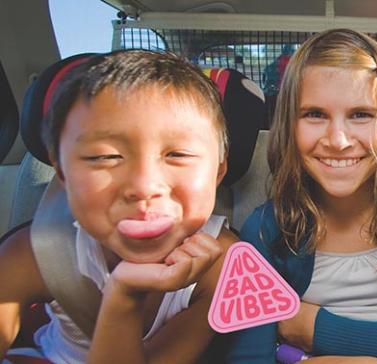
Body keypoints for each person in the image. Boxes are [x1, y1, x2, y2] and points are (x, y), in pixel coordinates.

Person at [229, 29, 377, 364]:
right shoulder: (267, 230)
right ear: (290, 125)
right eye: (315, 114)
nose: (338, 140)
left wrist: (312, 327)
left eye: (361, 115)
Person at [0, 50, 237, 363]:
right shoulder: (35, 251)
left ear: (218, 171)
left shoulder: (223, 267)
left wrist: (124, 294)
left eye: (177, 155)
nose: (144, 186)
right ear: (62, 173)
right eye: (104, 157)